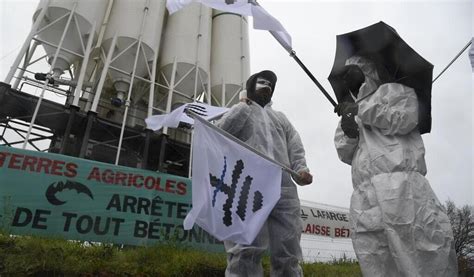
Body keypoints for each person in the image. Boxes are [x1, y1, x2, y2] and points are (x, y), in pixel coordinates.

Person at [334, 56, 458, 277]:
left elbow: (406, 118)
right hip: (365, 195)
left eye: (350, 69)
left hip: (402, 186)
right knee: (375, 258)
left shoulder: (394, 91)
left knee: (419, 254)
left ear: (366, 70)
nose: (345, 75)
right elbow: (344, 153)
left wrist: (361, 110)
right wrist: (349, 131)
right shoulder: (348, 110)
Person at [216, 70, 313, 276]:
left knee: (288, 250)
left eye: (269, 84)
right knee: (245, 248)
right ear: (251, 86)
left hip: (283, 188)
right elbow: (221, 132)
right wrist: (243, 105)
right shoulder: (240, 111)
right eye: (261, 82)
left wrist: (301, 170)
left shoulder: (280, 118)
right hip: (248, 185)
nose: (266, 86)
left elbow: (295, 148)